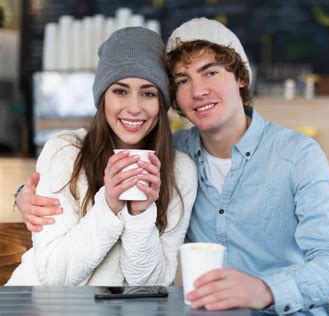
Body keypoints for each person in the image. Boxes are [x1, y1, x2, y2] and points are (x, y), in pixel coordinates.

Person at [15, 18, 329, 314]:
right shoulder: (176, 157)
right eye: (182, 80)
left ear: (240, 77)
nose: (198, 91)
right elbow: (75, 174)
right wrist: (26, 196)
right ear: (174, 98)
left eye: (210, 72)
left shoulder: (297, 156)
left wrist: (265, 289)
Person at [7, 27, 197, 286]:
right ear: (102, 98)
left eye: (148, 93)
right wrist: (108, 206)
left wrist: (140, 213)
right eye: (120, 91)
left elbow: (151, 284)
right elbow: (54, 277)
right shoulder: (64, 151)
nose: (134, 107)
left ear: (161, 102)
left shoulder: (180, 172)